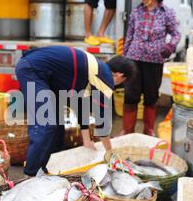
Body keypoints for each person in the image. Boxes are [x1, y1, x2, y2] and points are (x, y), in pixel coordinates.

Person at [16, 46, 136, 176]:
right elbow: (102, 122)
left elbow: (81, 106)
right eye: (123, 81)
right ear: (119, 75)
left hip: (41, 72)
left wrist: (87, 140)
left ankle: (45, 169)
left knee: (57, 127)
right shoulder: (105, 77)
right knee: (46, 124)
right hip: (33, 70)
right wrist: (110, 155)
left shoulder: (94, 70)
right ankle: (30, 175)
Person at [122, 0, 181, 136]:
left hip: (154, 60)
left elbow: (176, 34)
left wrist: (170, 46)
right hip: (134, 59)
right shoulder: (136, 12)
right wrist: (124, 57)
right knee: (131, 95)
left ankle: (148, 130)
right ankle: (128, 131)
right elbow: (130, 35)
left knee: (151, 96)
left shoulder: (166, 13)